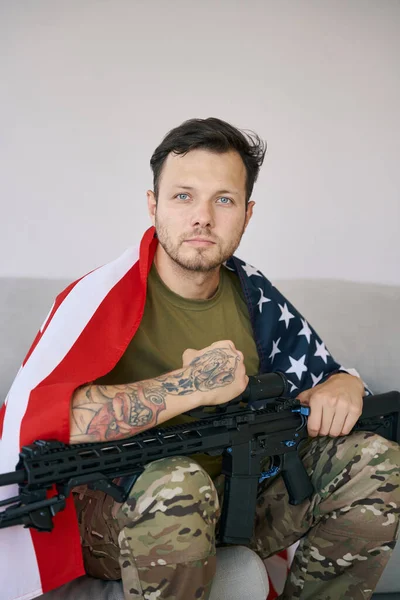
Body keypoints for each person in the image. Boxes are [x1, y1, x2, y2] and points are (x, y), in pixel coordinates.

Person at [1, 118, 399, 600]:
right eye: (183, 196)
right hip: (114, 509)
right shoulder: (95, 302)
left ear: (247, 214)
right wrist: (191, 386)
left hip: (233, 496)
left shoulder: (254, 295)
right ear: (154, 206)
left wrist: (344, 382)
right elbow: (47, 420)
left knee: (373, 460)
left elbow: (318, 382)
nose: (203, 217)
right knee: (179, 485)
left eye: (223, 199)